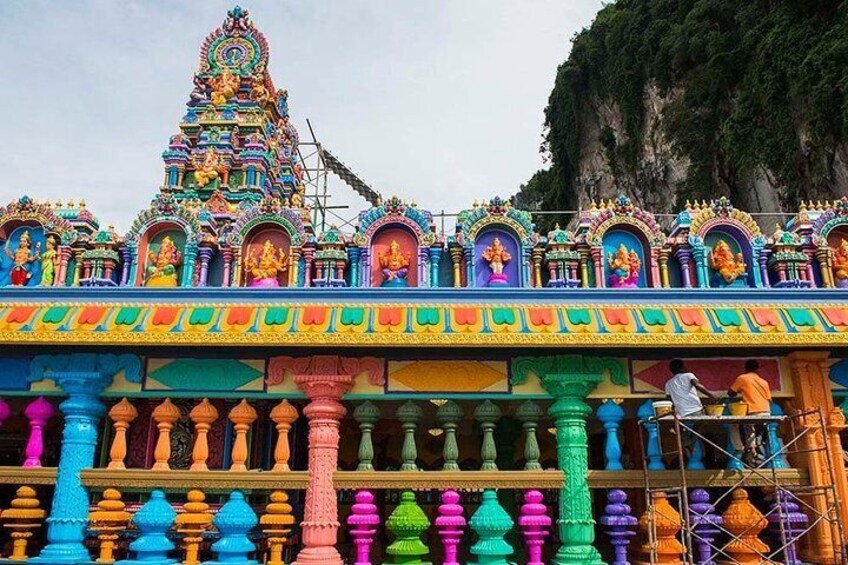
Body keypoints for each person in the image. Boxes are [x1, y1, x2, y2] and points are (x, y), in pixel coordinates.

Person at [728, 360, 772, 465]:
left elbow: (730, 393)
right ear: (757, 369)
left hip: (753, 410)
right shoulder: (764, 381)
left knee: (733, 424)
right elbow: (769, 399)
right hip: (766, 411)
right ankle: (753, 448)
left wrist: (739, 391)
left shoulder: (743, 378)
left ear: (745, 368)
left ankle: (740, 448)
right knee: (754, 431)